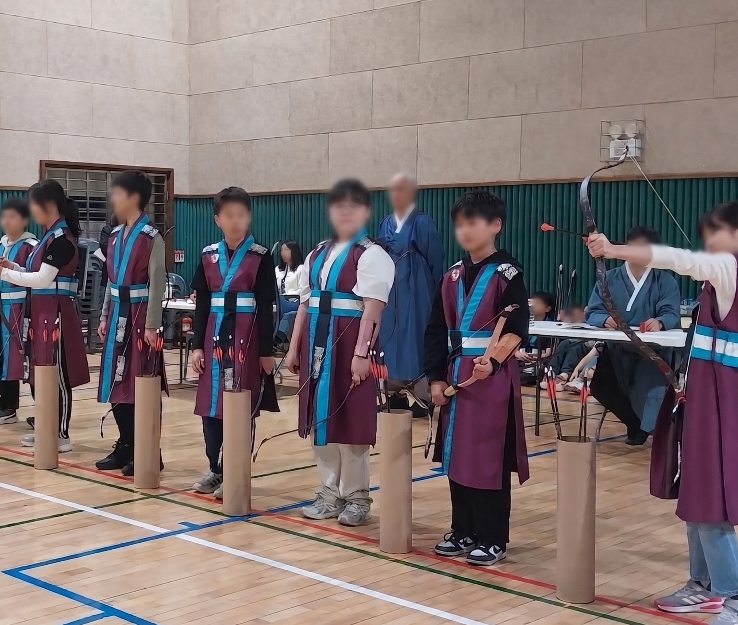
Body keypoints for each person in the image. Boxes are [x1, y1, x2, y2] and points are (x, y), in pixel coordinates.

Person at [587, 203, 738, 624]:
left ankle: (732, 595)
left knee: (710, 497)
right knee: (696, 488)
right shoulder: (718, 279)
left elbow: (678, 258)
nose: (710, 242)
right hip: (703, 399)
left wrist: (613, 250)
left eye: (719, 232)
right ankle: (704, 584)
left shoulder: (728, 268)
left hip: (723, 405)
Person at [424, 191, 530, 566]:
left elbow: (516, 328)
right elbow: (436, 330)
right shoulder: (450, 276)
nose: (465, 231)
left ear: (495, 225)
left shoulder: (508, 274)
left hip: (490, 381)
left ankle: (493, 537)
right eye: (460, 224)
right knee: (457, 456)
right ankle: (464, 529)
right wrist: (435, 378)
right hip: (455, 376)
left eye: (473, 223)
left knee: (487, 458)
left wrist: (494, 362)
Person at [284, 179, 394, 527]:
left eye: (353, 207)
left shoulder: (372, 255)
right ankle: (328, 492)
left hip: (348, 348)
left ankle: (357, 497)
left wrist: (361, 354)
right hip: (315, 346)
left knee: (350, 421)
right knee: (320, 421)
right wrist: (293, 348)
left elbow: (373, 309)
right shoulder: (316, 253)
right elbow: (304, 304)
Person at [189, 187, 277, 499]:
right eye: (229, 215)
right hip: (213, 337)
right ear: (217, 219)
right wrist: (196, 346)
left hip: (246, 338)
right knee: (210, 406)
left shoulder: (260, 256)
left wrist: (265, 352)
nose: (235, 221)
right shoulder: (207, 255)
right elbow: (201, 305)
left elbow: (266, 307)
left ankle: (235, 470)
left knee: (241, 404)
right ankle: (215, 468)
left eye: (241, 215)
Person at [0, 180, 90, 452]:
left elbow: (42, 278)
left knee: (58, 374)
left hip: (56, 313)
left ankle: (61, 433)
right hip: (41, 312)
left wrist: (5, 273)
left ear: (48, 205)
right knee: (41, 373)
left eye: (33, 204)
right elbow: (34, 272)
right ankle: (45, 428)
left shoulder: (61, 239)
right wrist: (12, 266)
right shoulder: (48, 237)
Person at [94, 171, 167, 475]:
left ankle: (149, 450)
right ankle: (125, 444)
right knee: (117, 381)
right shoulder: (113, 236)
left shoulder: (152, 237)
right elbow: (110, 281)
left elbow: (157, 282)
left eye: (119, 193)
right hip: (117, 316)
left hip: (139, 317)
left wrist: (152, 325)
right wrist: (103, 315)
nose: (113, 199)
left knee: (141, 384)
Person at [585, 226, 681, 445]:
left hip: (652, 352)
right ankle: (634, 423)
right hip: (617, 350)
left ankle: (649, 429)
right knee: (602, 386)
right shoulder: (608, 278)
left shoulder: (665, 280)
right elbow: (593, 312)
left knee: (650, 386)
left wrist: (659, 322)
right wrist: (604, 319)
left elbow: (671, 313)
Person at [377, 173, 444, 414]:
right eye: (393, 189)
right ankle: (394, 394)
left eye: (402, 189)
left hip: (417, 291)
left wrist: (435, 292)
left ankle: (424, 396)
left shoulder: (422, 222)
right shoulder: (385, 222)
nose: (397, 194)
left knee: (416, 337)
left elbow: (436, 259)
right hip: (390, 290)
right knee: (390, 338)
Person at [0, 198, 37, 424]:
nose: (7, 221)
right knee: (2, 358)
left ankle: (41, 411)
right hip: (1, 307)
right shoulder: (1, 244)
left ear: (24, 220)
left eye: (12, 216)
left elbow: (34, 276)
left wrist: (11, 267)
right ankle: (6, 405)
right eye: (4, 216)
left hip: (20, 308)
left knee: (19, 359)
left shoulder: (31, 246)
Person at [516, 291, 554, 386]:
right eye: (530, 304)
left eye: (537, 304)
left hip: (536, 362)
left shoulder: (550, 327)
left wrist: (534, 357)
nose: (533, 307)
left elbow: (548, 353)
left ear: (548, 308)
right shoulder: (522, 323)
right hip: (519, 359)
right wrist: (518, 353)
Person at [274, 240, 304, 347]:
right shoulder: (278, 269)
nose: (283, 252)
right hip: (278, 303)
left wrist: (288, 295)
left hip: (293, 302)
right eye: (282, 250)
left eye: (286, 249)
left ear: (293, 251)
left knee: (288, 316)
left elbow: (302, 289)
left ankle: (278, 339)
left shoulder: (301, 269)